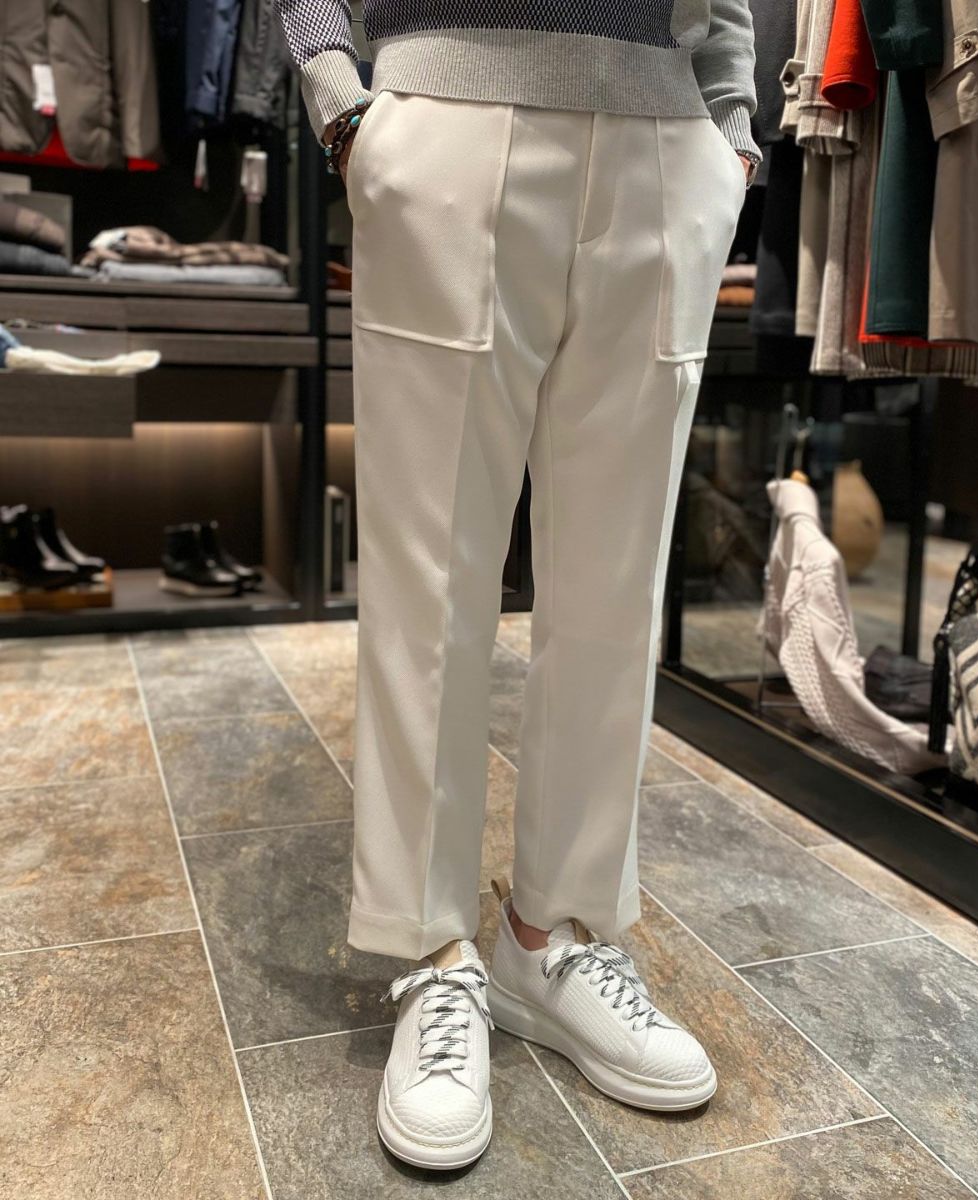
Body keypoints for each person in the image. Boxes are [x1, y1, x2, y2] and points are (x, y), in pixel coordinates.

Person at [276, 0, 759, 1171]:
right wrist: (338, 95)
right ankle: (433, 954)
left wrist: (731, 125)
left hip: (664, 135)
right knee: (429, 583)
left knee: (617, 587)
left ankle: (556, 937)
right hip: (445, 114)